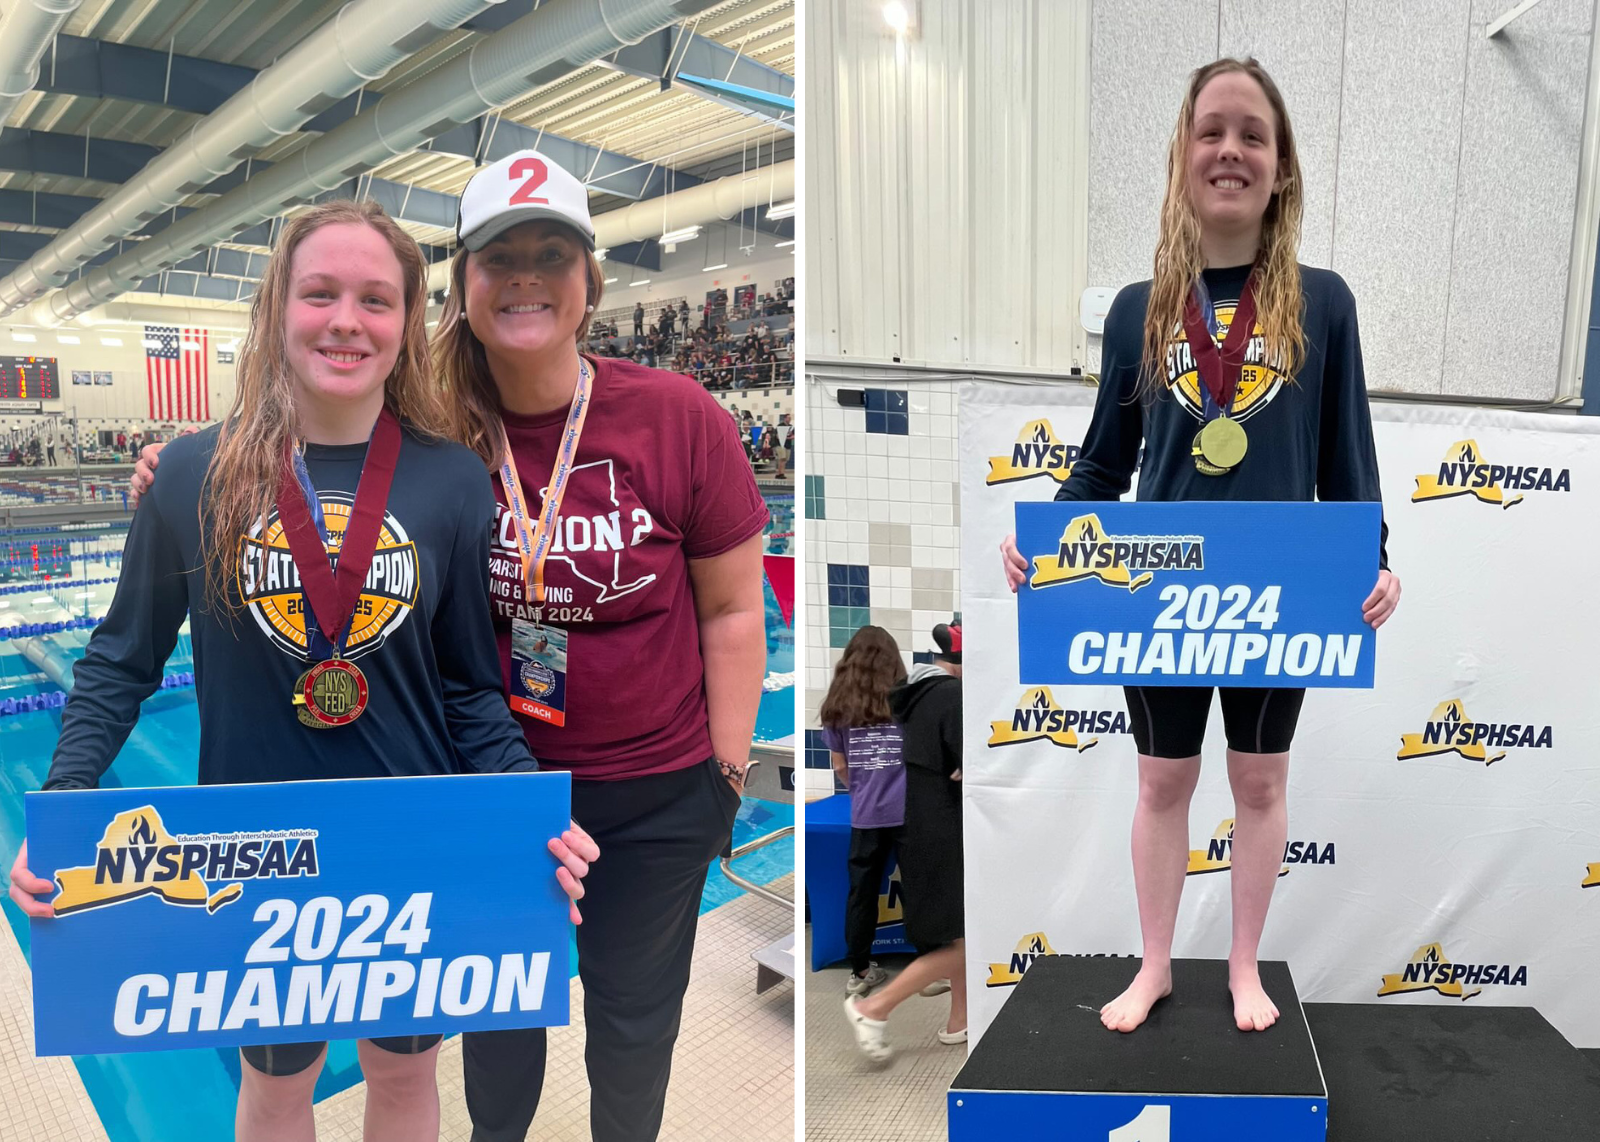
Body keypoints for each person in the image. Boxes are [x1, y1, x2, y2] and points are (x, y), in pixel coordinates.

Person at [132, 150, 768, 1142]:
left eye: (552, 253)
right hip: (484, 787)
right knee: (497, 1031)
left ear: (589, 280)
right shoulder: (429, 423)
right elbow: (301, 432)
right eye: (497, 255)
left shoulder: (676, 416)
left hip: (651, 786)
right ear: (463, 287)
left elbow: (733, 609)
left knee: (633, 1031)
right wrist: (178, 475)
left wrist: (722, 773)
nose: (524, 275)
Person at [10, 199, 596, 1142]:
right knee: (279, 1090)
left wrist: (529, 812)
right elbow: (121, 661)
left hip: (409, 844)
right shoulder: (194, 475)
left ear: (406, 325)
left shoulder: (449, 483)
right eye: (320, 292)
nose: (345, 320)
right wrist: (65, 808)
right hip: (254, 852)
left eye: (376, 299)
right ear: (278, 306)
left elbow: (469, 690)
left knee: (402, 1080)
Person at [999, 57, 1401, 1035]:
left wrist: (1374, 554)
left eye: (1251, 134)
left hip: (1276, 588)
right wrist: (1048, 542)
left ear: (1281, 167)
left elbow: (1346, 456)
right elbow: (1103, 462)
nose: (1229, 149)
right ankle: (1152, 965)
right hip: (1160, 588)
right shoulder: (1140, 311)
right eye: (1209, 130)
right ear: (1182, 158)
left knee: (1258, 780)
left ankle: (1242, 965)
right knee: (1160, 778)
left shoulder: (1324, 302)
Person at [844, 623, 966, 1061]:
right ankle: (875, 1007)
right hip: (940, 828)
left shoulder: (911, 696)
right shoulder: (953, 698)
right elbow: (971, 765)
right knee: (963, 941)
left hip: (912, 821)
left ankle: (960, 1020)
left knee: (958, 934)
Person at [820, 627, 908, 999]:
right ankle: (932, 968)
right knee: (918, 889)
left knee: (861, 893)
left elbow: (840, 767)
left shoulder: (837, 709)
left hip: (865, 815)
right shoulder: (906, 701)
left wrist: (863, 787)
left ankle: (858, 971)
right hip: (909, 813)